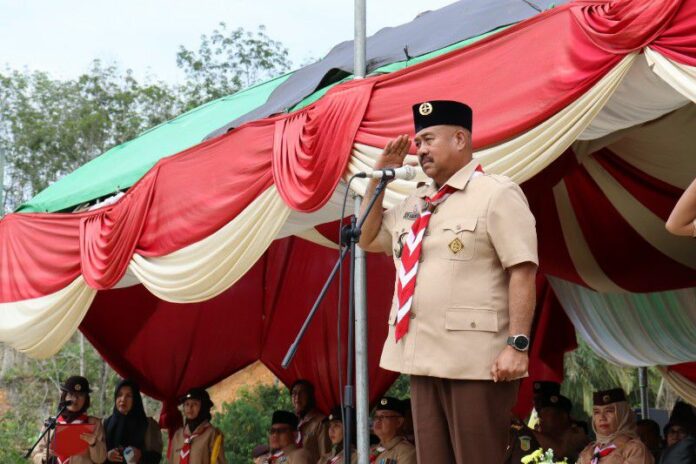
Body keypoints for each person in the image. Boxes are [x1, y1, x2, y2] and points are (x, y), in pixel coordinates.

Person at [358, 100, 538, 464]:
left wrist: (517, 346)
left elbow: (522, 270)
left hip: (475, 360)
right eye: (417, 142)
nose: (419, 150)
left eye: (427, 140)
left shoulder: (495, 193)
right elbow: (364, 235)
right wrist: (379, 177)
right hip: (421, 357)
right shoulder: (416, 200)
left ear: (459, 139)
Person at [31, 375, 107, 464]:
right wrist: (43, 458)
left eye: (80, 395)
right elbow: (36, 453)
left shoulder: (94, 424)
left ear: (86, 399)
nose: (75, 399)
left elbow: (100, 459)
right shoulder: (51, 422)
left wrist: (94, 444)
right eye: (71, 394)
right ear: (64, 396)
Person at [577, 388, 654, 464]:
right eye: (597, 412)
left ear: (622, 414)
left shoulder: (634, 449)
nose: (602, 418)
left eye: (609, 411)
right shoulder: (589, 451)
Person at [103, 379, 162, 463]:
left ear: (135, 399)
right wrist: (107, 456)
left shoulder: (148, 424)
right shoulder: (106, 423)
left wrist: (141, 454)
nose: (123, 399)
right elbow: (98, 456)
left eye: (128, 396)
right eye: (119, 395)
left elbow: (157, 456)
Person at [168, 387, 226, 464]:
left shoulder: (212, 434)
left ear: (204, 407)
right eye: (187, 404)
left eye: (195, 404)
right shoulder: (178, 436)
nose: (189, 407)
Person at [534, 393, 589, 462]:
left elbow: (560, 451)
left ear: (563, 417)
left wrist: (524, 429)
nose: (541, 421)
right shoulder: (545, 437)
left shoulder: (577, 433)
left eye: (546, 414)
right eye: (540, 417)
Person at [291, 380, 330, 463]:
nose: (297, 398)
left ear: (310, 396)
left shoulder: (321, 422)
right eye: (294, 393)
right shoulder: (292, 423)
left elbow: (326, 456)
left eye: (302, 393)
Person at [369, 397, 416, 464]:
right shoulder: (373, 450)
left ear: (399, 422)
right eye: (376, 416)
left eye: (383, 416)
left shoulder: (407, 452)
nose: (378, 420)